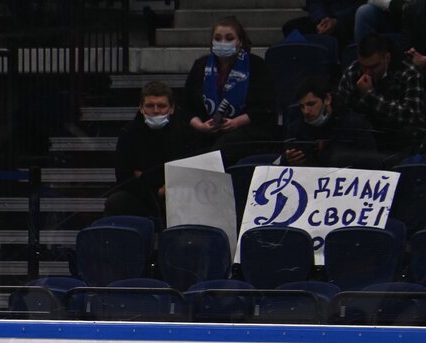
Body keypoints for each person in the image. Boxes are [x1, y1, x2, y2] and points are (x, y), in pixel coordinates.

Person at [183, 16, 277, 163]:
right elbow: (186, 105)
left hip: (246, 129)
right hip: (206, 128)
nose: (223, 43)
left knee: (222, 148)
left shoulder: (256, 66)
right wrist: (200, 126)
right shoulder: (200, 66)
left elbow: (266, 108)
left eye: (229, 38)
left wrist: (236, 122)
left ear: (240, 41)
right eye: (218, 38)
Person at [105, 81, 192, 219]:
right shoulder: (128, 133)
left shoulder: (184, 132)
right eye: (150, 106)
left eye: (162, 106)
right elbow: (124, 177)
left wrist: (146, 178)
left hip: (177, 194)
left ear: (172, 108)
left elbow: (188, 169)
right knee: (116, 202)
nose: (156, 111)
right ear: (141, 108)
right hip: (140, 196)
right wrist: (157, 191)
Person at [335, 33, 426, 157]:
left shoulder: (409, 73)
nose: (367, 72)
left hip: (398, 140)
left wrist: (370, 96)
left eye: (373, 67)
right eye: (364, 66)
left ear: (387, 58)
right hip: (364, 139)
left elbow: (412, 116)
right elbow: (340, 112)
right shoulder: (352, 72)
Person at [282, 76, 378, 167]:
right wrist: (289, 161)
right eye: (302, 106)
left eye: (311, 104)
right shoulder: (296, 130)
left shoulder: (355, 126)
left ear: (327, 99)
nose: (305, 111)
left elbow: (370, 164)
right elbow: (282, 168)